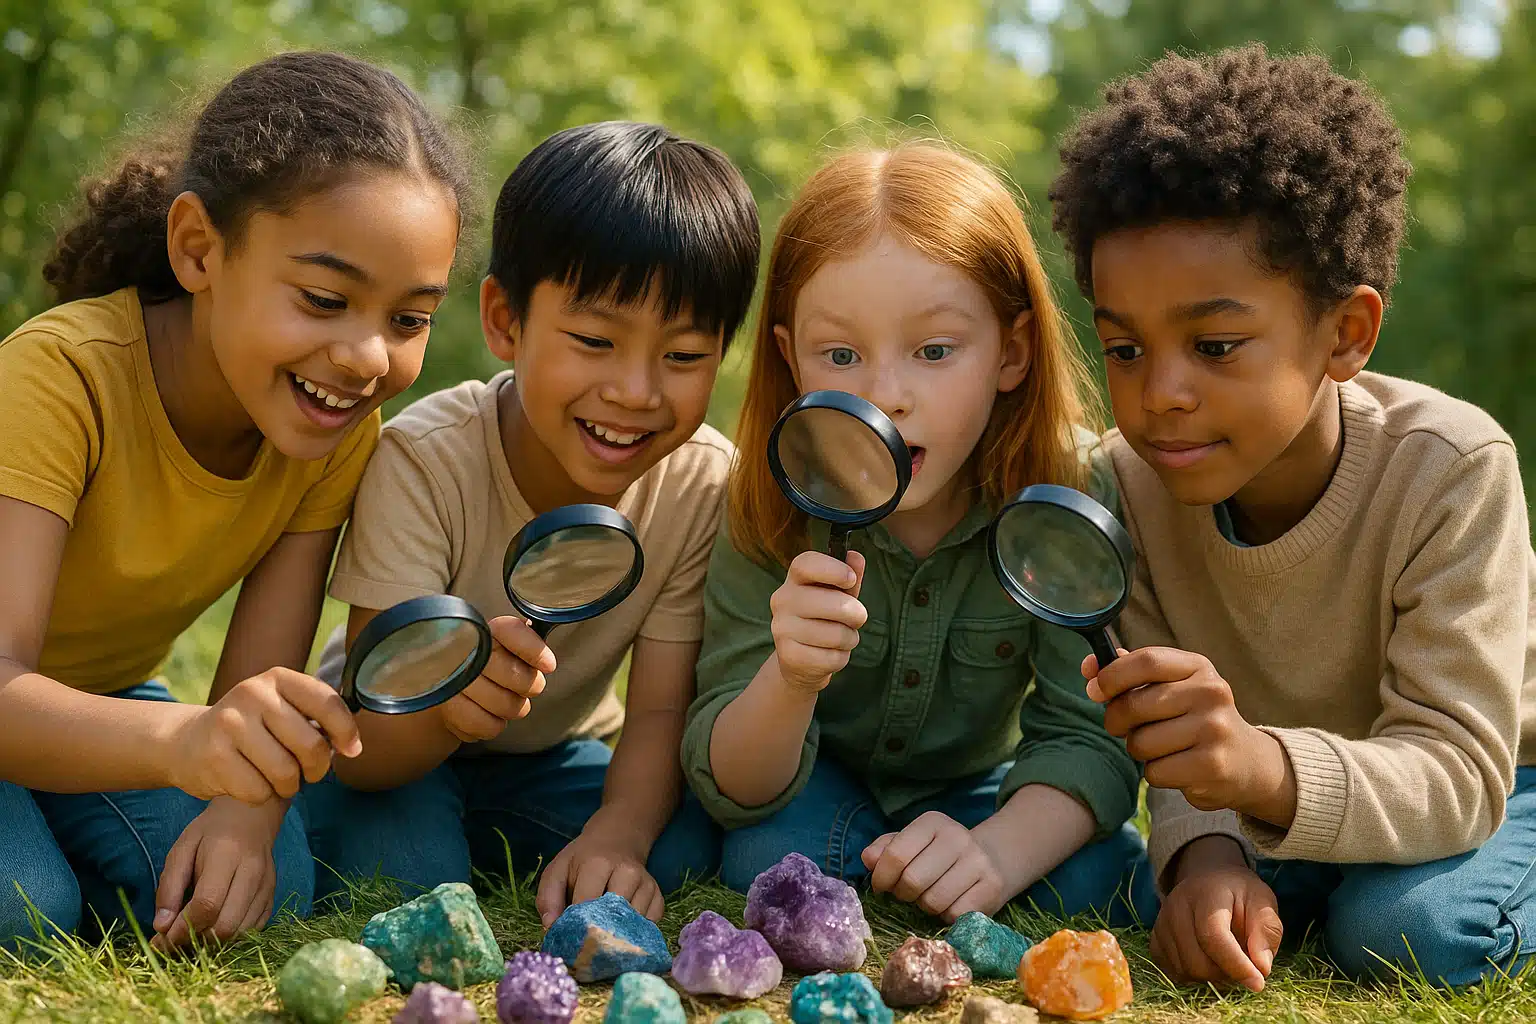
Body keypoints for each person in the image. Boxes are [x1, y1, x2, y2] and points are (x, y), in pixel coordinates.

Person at [1050, 44, 1536, 987]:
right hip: (1280, 790)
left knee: (1408, 931)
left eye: (1215, 345)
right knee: (1148, 895)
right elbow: (1174, 737)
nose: (1161, 395)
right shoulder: (1128, 486)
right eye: (1124, 349)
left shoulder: (1452, 467)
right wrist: (1206, 856)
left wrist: (1258, 768)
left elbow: (1458, 771)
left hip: (1500, 778)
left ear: (1346, 334)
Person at [0, 50, 469, 952]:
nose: (367, 358)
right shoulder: (61, 379)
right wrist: (184, 742)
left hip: (98, 698)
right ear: (199, 249)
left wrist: (245, 810)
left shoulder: (330, 430)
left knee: (264, 886)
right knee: (25, 907)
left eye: (408, 319)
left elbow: (258, 690)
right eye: (325, 298)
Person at [300, 121, 762, 927]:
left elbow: (659, 711)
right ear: (505, 321)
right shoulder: (424, 458)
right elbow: (369, 742)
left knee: (683, 847)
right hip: (394, 746)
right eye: (594, 340)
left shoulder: (699, 482)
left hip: (551, 755)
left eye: (684, 356)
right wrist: (449, 708)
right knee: (406, 875)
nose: (635, 392)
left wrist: (618, 835)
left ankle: (523, 841)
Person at [683, 142, 1155, 925]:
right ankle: (895, 869)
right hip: (817, 782)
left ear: (1012, 352)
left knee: (1093, 877)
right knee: (766, 855)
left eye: (935, 351)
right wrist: (792, 678)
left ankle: (937, 871)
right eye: (840, 355)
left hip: (980, 791)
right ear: (791, 360)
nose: (886, 395)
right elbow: (735, 785)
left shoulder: (1066, 491)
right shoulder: (767, 501)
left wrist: (997, 853)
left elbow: (1088, 733)